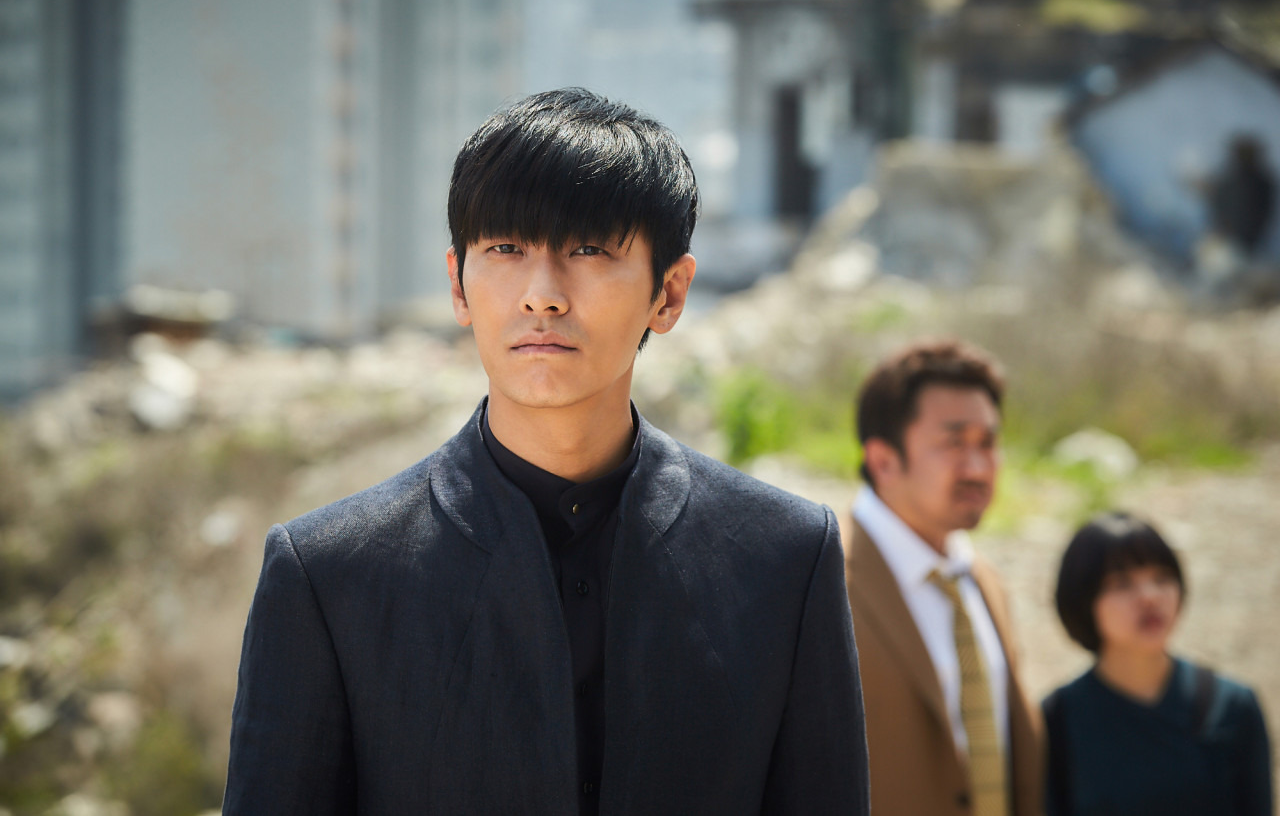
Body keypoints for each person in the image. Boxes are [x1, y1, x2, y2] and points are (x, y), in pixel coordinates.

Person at [223, 88, 869, 815]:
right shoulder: (328, 575)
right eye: (506, 248)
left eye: (588, 249)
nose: (542, 295)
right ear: (458, 285)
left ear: (669, 292)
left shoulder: (785, 557)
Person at [839, 339, 1042, 816]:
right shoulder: (823, 581)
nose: (979, 467)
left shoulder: (981, 579)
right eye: (954, 442)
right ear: (883, 460)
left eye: (988, 443)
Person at [1044, 512, 1272, 816]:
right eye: (1122, 583)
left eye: (1162, 578)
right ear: (1082, 600)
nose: (1150, 597)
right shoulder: (1057, 720)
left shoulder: (1232, 706)